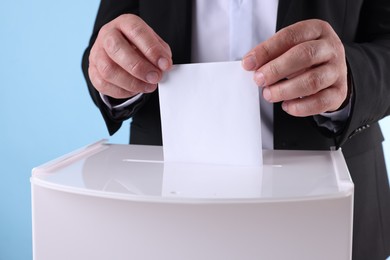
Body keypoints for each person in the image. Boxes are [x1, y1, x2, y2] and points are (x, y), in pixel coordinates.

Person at [82, 1, 390, 259]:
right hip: (166, 208)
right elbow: (107, 44)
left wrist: (349, 77)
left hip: (330, 210)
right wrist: (111, 67)